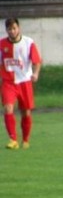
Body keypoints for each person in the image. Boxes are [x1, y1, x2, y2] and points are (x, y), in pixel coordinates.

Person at [0, 18, 42, 150]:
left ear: (19, 28)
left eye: (14, 28)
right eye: (9, 29)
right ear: (6, 30)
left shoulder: (28, 43)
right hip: (8, 82)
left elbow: (36, 61)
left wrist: (35, 73)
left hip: (24, 81)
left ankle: (25, 139)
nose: (12, 31)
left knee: (26, 112)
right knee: (8, 108)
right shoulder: (1, 44)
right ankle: (13, 139)